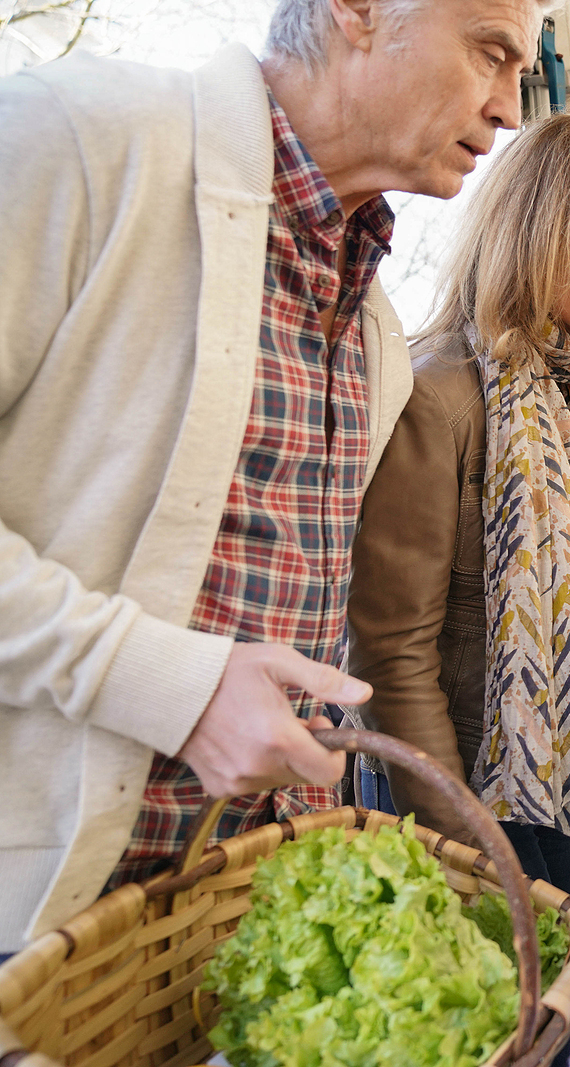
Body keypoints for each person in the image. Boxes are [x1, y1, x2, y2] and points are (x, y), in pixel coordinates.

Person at [0, 0, 537, 953]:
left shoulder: (377, 335)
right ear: (360, 12)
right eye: (490, 51)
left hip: (228, 935)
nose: (509, 106)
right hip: (28, 923)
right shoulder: (77, 139)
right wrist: (175, 686)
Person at [346, 114, 570, 927]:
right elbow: (392, 657)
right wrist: (472, 841)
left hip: (544, 777)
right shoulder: (439, 395)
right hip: (451, 793)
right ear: (540, 227)